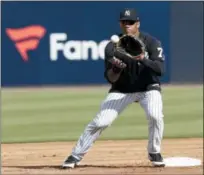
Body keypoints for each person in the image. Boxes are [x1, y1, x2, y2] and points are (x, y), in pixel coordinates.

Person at [62, 8, 166, 169]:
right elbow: (110, 78)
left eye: (130, 22)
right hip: (122, 89)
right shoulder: (112, 46)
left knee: (155, 115)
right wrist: (116, 69)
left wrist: (143, 59)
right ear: (120, 24)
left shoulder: (151, 42)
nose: (127, 26)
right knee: (101, 122)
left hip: (148, 87)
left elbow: (160, 70)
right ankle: (75, 155)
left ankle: (154, 151)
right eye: (124, 22)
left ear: (137, 24)